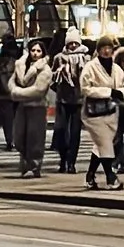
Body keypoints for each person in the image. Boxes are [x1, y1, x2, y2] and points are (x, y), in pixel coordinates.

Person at [79, 38, 124, 189]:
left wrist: (121, 92)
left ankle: (90, 175)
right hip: (94, 112)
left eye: (109, 48)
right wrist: (107, 92)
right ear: (98, 50)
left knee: (101, 144)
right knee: (105, 143)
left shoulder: (117, 69)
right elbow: (85, 88)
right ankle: (110, 177)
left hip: (111, 111)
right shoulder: (90, 67)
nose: (106, 51)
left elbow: (123, 86)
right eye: (103, 48)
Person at [4, 38, 53, 178]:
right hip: (22, 106)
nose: (35, 53)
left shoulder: (45, 69)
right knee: (19, 136)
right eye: (33, 50)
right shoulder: (21, 65)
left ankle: (34, 166)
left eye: (38, 51)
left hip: (37, 107)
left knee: (35, 138)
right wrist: (15, 91)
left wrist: (18, 93)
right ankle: (25, 164)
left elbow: (39, 90)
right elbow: (12, 81)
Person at [50, 34, 88, 174]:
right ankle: (63, 159)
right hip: (63, 99)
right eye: (70, 43)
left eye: (75, 43)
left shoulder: (86, 58)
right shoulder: (59, 58)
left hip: (78, 100)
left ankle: (71, 162)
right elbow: (52, 77)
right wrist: (59, 74)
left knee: (75, 133)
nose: (73, 46)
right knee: (61, 130)